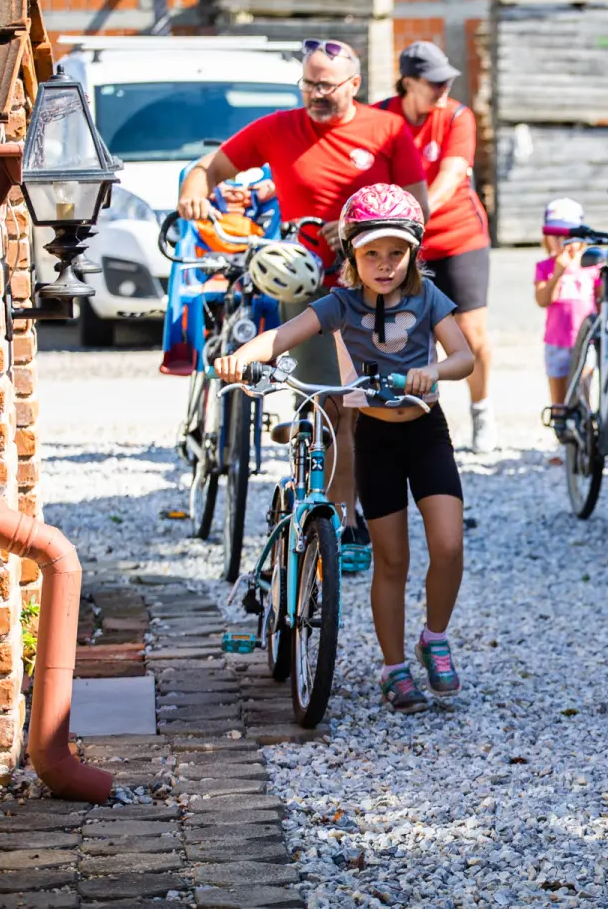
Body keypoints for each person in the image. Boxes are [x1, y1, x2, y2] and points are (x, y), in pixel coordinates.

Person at [214, 184, 474, 715]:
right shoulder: (341, 303)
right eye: (372, 253)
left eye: (396, 253)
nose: (385, 264)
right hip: (374, 438)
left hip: (426, 429)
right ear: (352, 255)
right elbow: (284, 334)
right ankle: (394, 668)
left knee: (447, 544)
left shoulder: (428, 298)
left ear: (414, 253)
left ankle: (435, 637)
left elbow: (465, 356)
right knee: (391, 559)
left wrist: (434, 370)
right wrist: (241, 355)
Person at [177, 38, 429, 570]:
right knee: (329, 400)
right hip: (305, 280)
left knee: (362, 403)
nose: (315, 94)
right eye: (308, 83)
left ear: (354, 85)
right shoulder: (278, 128)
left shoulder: (387, 131)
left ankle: (346, 511)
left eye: (326, 85)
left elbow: (417, 208)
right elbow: (209, 167)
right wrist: (194, 190)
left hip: (372, 283)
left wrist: (363, 227)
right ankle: (333, 519)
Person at [380, 41, 498, 453]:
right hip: (399, 242)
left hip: (457, 235)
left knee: (471, 332)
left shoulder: (457, 116)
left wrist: (414, 212)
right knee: (396, 332)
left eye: (447, 79)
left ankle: (482, 411)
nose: (443, 87)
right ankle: (399, 414)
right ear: (408, 82)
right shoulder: (380, 117)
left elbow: (450, 177)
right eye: (433, 82)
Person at [534, 198, 600, 414]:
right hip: (556, 342)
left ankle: (584, 432)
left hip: (585, 340)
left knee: (583, 387)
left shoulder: (592, 266)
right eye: (556, 235)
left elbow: (600, 301)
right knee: (559, 401)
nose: (563, 241)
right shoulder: (545, 267)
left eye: (569, 236)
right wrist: (558, 274)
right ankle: (564, 435)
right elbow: (543, 299)